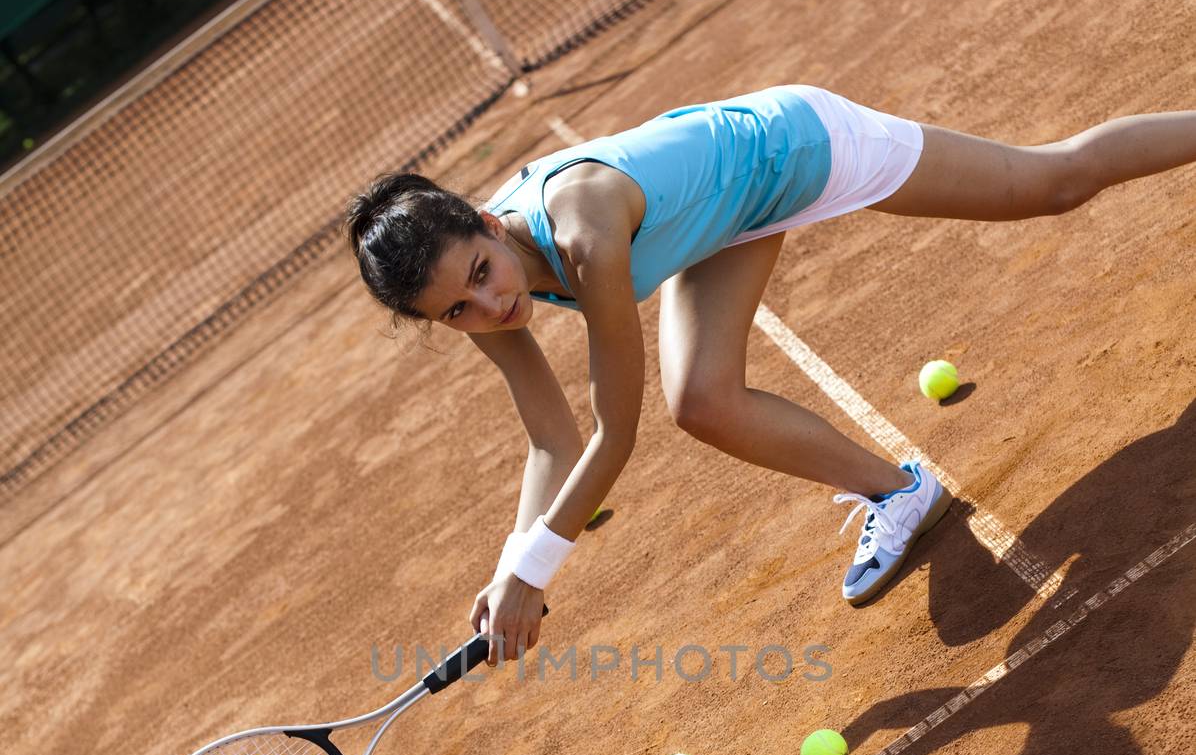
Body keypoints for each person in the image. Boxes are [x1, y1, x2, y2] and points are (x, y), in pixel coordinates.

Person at [344, 84, 1196, 664]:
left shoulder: (584, 229)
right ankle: (901, 494)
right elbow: (549, 441)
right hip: (723, 222)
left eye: (482, 274)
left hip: (796, 151)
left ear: (491, 224)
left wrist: (536, 570)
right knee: (705, 401)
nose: (486, 310)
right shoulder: (476, 293)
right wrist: (510, 564)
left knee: (1053, 181)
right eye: (454, 311)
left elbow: (612, 431)